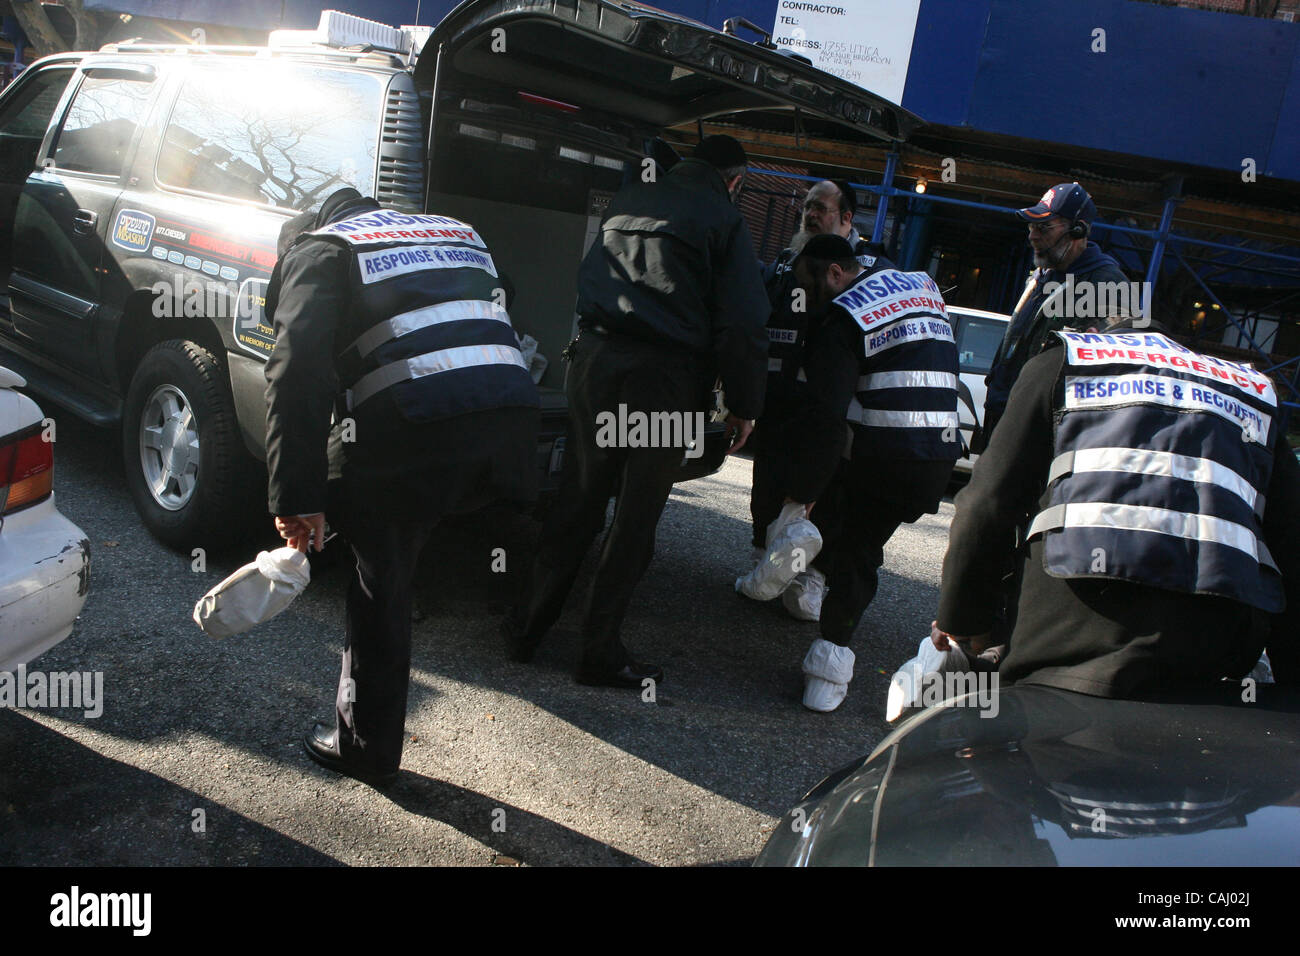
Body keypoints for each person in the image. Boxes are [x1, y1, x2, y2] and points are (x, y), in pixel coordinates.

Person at [264, 187, 540, 784]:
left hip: (416, 431)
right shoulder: (455, 231)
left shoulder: (320, 250)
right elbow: (496, 302)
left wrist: (299, 501)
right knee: (439, 519)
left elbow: (296, 376)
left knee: (380, 576)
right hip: (512, 424)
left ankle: (364, 747)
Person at [502, 135, 769, 688]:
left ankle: (525, 629)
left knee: (577, 499)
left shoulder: (631, 200)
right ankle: (597, 652)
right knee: (633, 520)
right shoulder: (722, 217)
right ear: (735, 181)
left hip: (595, 362)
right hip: (662, 380)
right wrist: (744, 405)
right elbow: (743, 323)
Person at [934, 320, 1300, 697]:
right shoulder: (1251, 394)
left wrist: (963, 621)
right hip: (1209, 653)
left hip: (1063, 637)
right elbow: (1290, 544)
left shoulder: (1065, 364)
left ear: (1098, 335)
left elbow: (988, 504)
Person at [782, 234, 960, 711]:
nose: (810, 301)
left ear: (837, 274)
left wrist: (803, 493)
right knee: (861, 541)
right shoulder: (922, 285)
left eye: (812, 288)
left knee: (855, 546)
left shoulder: (844, 317)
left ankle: (829, 670)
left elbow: (826, 416)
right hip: (936, 459)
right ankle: (812, 575)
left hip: (882, 455)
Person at [749, 179, 885, 618]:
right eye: (807, 205)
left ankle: (811, 576)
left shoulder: (873, 268)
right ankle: (770, 565)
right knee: (769, 492)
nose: (810, 213)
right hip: (781, 406)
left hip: (835, 410)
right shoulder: (786, 263)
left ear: (847, 218)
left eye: (821, 207)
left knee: (825, 497)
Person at [982, 182, 1128, 443]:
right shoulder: (1044, 275)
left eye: (1044, 227)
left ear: (1077, 229)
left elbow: (1117, 365)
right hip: (1006, 417)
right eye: (1031, 226)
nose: (1033, 236)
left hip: (1041, 433)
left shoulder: (1106, 283)